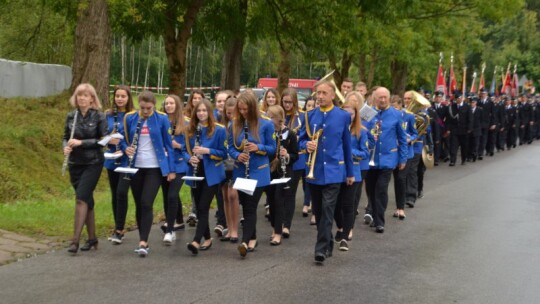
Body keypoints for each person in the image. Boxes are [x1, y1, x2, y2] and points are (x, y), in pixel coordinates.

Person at [298, 80, 354, 264]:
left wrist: (350, 172)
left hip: (334, 170)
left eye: (324, 93)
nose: (320, 96)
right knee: (319, 211)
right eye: (318, 93)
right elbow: (299, 141)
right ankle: (328, 241)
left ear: (332, 95)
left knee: (328, 209)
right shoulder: (309, 116)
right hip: (314, 171)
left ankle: (320, 249)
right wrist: (306, 145)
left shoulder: (342, 116)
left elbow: (346, 145)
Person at [124, 90, 175, 257]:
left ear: (153, 106)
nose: (145, 111)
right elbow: (124, 139)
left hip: (154, 167)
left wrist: (171, 169)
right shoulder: (131, 118)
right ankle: (142, 236)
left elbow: (169, 145)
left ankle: (143, 242)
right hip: (135, 167)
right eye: (143, 108)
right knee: (139, 204)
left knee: (147, 202)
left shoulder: (161, 118)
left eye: (148, 108)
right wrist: (126, 148)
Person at [228, 91, 276, 258]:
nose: (243, 113)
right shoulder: (234, 125)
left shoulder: (266, 124)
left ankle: (244, 241)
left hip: (259, 171)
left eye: (246, 109)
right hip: (241, 171)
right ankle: (252, 238)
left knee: (250, 206)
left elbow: (273, 149)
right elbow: (231, 148)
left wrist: (258, 148)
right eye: (240, 110)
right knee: (245, 205)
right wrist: (237, 155)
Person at [63, 83, 107, 254]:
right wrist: (65, 147)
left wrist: (82, 143)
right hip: (75, 164)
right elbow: (65, 137)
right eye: (79, 95)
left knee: (81, 198)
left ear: (92, 99)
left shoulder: (99, 117)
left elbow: (103, 140)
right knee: (87, 200)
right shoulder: (70, 116)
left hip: (93, 162)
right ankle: (92, 238)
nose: (82, 98)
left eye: (85, 95)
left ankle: (74, 241)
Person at [184, 99, 227, 255]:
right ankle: (207, 238)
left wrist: (207, 151)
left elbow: (224, 153)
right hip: (195, 169)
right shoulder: (189, 129)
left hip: (212, 172)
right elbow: (183, 149)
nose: (201, 113)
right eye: (198, 111)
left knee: (203, 206)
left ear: (210, 112)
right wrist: (190, 158)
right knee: (200, 206)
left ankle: (196, 240)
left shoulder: (219, 130)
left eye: (204, 111)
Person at [364, 87, 408, 234]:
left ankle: (379, 221)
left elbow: (402, 138)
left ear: (389, 98)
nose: (382, 100)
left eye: (385, 97)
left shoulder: (396, 114)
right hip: (370, 158)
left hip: (388, 159)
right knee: (371, 190)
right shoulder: (367, 112)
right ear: (374, 98)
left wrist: (403, 158)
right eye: (379, 97)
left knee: (381, 190)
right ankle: (376, 216)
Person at [334, 96, 368, 251]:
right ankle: (341, 227)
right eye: (345, 113)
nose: (348, 117)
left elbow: (365, 153)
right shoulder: (336, 129)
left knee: (348, 205)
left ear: (356, 115)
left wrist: (349, 151)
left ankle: (346, 234)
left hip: (353, 171)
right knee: (335, 205)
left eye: (351, 114)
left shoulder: (361, 131)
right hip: (336, 172)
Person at [105, 85, 134, 244]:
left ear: (128, 98)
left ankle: (120, 228)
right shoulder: (108, 115)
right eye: (117, 96)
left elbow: (132, 136)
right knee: (115, 193)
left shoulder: (132, 115)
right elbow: (101, 134)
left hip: (126, 159)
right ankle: (118, 226)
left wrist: (122, 144)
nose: (120, 99)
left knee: (122, 192)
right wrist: (109, 139)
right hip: (111, 158)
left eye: (123, 96)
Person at [266, 105, 298, 246]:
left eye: (272, 117)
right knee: (271, 200)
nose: (269, 120)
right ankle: (275, 227)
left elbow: (296, 155)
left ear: (279, 118)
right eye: (268, 117)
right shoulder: (268, 132)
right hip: (270, 171)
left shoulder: (289, 134)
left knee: (279, 200)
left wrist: (287, 155)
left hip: (285, 171)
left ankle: (278, 233)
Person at [160, 94, 188, 244]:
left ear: (177, 105)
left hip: (180, 164)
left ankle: (170, 230)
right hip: (165, 163)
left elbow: (191, 146)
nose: (168, 106)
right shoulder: (161, 121)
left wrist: (178, 145)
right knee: (168, 195)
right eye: (166, 103)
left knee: (172, 195)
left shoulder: (186, 123)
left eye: (171, 103)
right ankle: (177, 220)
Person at [211, 90, 234, 237]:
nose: (221, 104)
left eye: (224, 101)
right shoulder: (213, 121)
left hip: (233, 163)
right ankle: (222, 222)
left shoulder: (235, 121)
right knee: (221, 194)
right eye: (219, 101)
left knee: (233, 195)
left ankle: (232, 223)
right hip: (220, 163)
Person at [280, 88, 302, 237]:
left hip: (295, 159)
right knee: (278, 193)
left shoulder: (301, 117)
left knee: (290, 193)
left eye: (290, 102)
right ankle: (278, 221)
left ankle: (286, 225)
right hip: (279, 159)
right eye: (285, 102)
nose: (287, 105)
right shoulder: (278, 115)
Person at [220, 97, 240, 243]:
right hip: (223, 164)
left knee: (233, 195)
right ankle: (228, 227)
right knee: (225, 196)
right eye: (228, 113)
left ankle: (235, 229)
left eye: (233, 113)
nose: (230, 116)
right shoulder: (221, 126)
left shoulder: (239, 127)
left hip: (235, 164)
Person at [445, 93, 473, 166]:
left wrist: (469, 128)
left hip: (464, 130)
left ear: (462, 98)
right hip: (454, 130)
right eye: (457, 98)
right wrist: (448, 129)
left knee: (464, 146)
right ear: (455, 99)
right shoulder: (452, 107)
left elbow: (470, 118)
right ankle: (452, 160)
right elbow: (448, 120)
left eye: (460, 98)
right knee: (453, 146)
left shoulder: (467, 106)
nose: (458, 99)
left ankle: (463, 159)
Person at [301, 97, 315, 224]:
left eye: (313, 105)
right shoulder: (305, 118)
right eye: (308, 105)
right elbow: (301, 140)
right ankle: (306, 203)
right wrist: (306, 144)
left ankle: (315, 211)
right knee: (307, 182)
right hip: (308, 155)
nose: (310, 108)